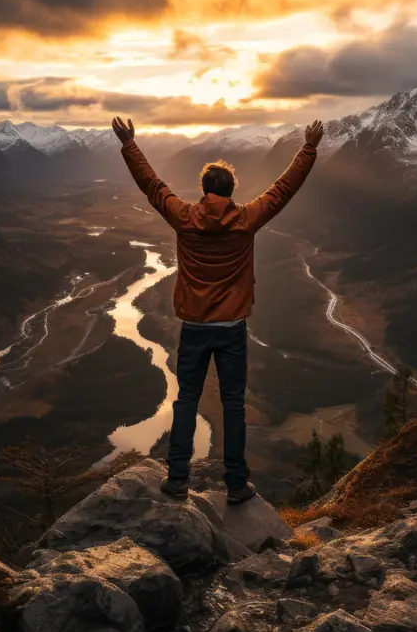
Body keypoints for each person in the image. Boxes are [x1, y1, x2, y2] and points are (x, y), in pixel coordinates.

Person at [112, 115, 324, 504]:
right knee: (233, 406)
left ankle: (177, 479)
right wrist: (308, 148)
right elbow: (283, 189)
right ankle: (236, 485)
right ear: (231, 191)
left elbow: (152, 186)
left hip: (194, 327)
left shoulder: (183, 217)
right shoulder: (246, 220)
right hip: (232, 329)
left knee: (186, 401)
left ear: (203, 190)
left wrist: (129, 145)